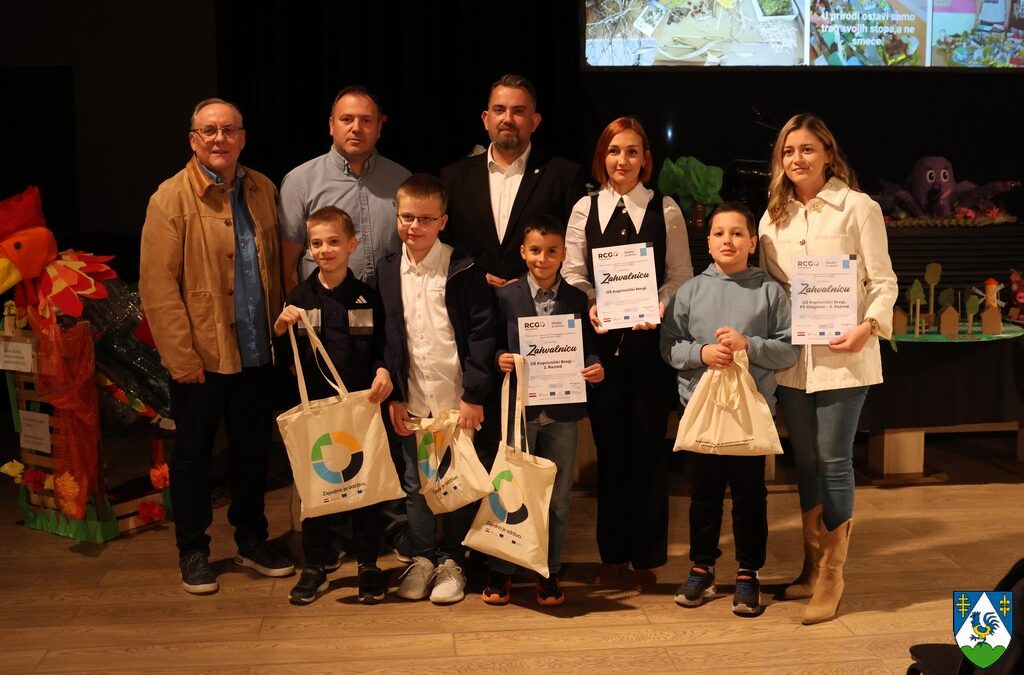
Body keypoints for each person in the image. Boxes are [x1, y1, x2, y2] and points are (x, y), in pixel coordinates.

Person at [139, 98, 294, 594]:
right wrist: (180, 357)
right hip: (201, 356)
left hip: (257, 350)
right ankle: (193, 550)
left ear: (243, 138)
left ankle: (252, 539)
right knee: (192, 457)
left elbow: (277, 267)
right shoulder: (169, 198)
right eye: (209, 131)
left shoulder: (263, 188)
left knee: (252, 453)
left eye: (229, 130)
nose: (219, 139)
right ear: (193, 140)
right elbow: (157, 287)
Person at [757, 113, 897, 624]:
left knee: (835, 460)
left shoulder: (859, 208)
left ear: (828, 155)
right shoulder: (771, 218)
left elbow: (884, 282)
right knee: (808, 463)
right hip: (795, 360)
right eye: (788, 150)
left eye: (807, 149)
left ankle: (833, 576)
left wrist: (867, 327)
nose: (797, 158)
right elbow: (772, 290)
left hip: (844, 355)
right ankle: (812, 566)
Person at [562, 116, 693, 591]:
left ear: (645, 159)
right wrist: (591, 302)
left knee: (649, 452)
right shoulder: (584, 208)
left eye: (632, 151)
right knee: (611, 452)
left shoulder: (666, 209)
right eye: (614, 151)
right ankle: (612, 556)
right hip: (602, 353)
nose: (623, 160)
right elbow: (572, 273)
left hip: (650, 351)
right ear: (603, 157)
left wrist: (658, 304)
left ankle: (647, 558)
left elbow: (680, 274)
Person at [660, 202, 799, 616]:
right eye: (719, 233)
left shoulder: (770, 291)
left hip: (749, 412)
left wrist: (749, 345)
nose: (728, 240)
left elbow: (789, 349)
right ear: (707, 242)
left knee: (749, 495)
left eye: (738, 233)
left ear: (753, 243)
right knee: (703, 495)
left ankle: (748, 572)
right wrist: (701, 353)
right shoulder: (690, 291)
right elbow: (669, 346)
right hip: (700, 410)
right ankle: (702, 568)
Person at [377, 174, 496, 604]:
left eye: (426, 219)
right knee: (416, 484)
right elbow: (388, 336)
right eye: (407, 217)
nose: (415, 226)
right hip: (413, 400)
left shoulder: (463, 268)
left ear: (442, 221)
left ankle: (452, 561)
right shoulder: (387, 270)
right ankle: (422, 558)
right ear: (397, 215)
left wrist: (474, 396)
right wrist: (395, 395)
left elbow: (483, 334)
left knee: (457, 480)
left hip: (456, 401)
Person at [272, 206, 393, 605]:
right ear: (308, 248)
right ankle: (315, 565)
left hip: (360, 409)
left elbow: (381, 347)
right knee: (317, 490)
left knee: (366, 487)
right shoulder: (299, 298)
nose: (325, 250)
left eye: (334, 242)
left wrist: (383, 370)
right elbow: (285, 360)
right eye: (317, 243)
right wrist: (280, 330)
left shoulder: (366, 296)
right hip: (317, 412)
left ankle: (369, 563)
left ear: (352, 245)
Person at [482, 215, 605, 606]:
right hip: (519, 412)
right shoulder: (506, 297)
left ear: (564, 254)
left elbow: (586, 349)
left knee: (558, 498)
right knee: (509, 490)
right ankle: (501, 570)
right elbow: (491, 345)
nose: (543, 258)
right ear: (523, 252)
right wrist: (500, 358)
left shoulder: (577, 299)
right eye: (535, 250)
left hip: (562, 415)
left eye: (552, 251)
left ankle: (547, 571)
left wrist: (595, 366)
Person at [441, 74, 586, 288]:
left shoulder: (564, 176)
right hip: (472, 300)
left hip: (540, 302)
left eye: (518, 111)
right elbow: (442, 243)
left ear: (534, 121)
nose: (507, 119)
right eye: (499, 110)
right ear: (486, 119)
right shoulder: (453, 177)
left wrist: (532, 281)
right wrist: (475, 275)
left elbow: (575, 248)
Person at [279, 86, 410, 292]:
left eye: (366, 120)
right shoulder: (299, 182)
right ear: (332, 125)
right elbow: (287, 268)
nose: (356, 128)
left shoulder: (402, 180)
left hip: (389, 305)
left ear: (378, 128)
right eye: (347, 119)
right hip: (322, 306)